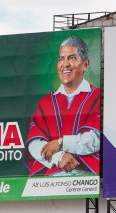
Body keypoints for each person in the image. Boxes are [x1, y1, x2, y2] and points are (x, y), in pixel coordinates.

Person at [25, 35, 101, 177]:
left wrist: (61, 143)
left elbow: (96, 139)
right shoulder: (46, 102)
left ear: (85, 64)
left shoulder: (97, 96)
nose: (65, 64)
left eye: (71, 58)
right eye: (61, 59)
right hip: (53, 176)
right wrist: (58, 157)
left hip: (88, 176)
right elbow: (34, 143)